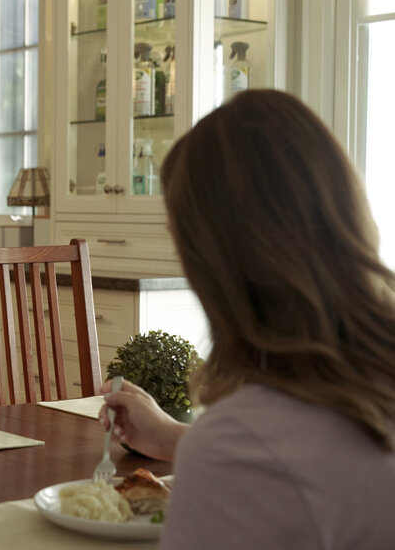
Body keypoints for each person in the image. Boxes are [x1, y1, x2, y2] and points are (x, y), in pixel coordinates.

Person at [100, 90, 395, 548]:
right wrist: (174, 437)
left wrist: (205, 447)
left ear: (215, 266)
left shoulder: (243, 448)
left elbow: (280, 461)